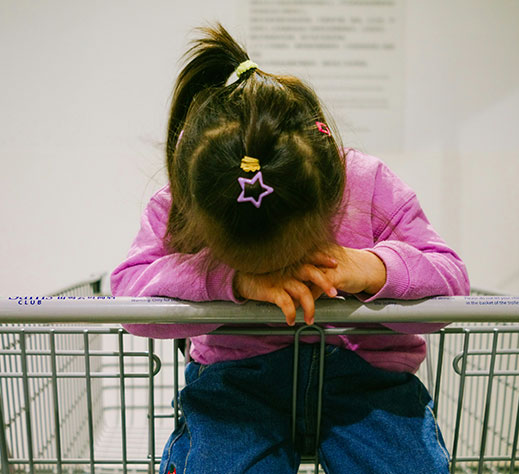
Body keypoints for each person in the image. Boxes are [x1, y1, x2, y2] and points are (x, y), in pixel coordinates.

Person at [111, 23, 469, 474]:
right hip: (238, 380)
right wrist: (232, 280)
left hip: (367, 377)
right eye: (257, 264)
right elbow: (130, 294)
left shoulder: (368, 184)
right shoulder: (189, 199)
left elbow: (451, 280)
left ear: (328, 198)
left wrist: (373, 267)